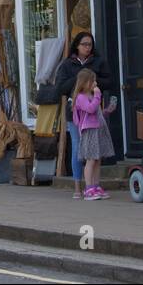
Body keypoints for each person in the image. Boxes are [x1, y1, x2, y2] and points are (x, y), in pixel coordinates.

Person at [37, 32, 114, 198]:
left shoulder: (98, 61)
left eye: (90, 44)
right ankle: (78, 187)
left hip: (94, 113)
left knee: (95, 151)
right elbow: (60, 89)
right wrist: (79, 80)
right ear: (77, 46)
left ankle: (94, 185)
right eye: (84, 44)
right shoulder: (67, 64)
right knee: (79, 149)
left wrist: (93, 80)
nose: (88, 47)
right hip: (76, 115)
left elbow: (109, 82)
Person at [71, 69, 114, 200]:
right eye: (92, 81)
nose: (95, 83)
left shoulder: (91, 95)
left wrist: (106, 111)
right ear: (84, 83)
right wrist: (97, 95)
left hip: (97, 129)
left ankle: (96, 186)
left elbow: (96, 112)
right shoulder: (80, 97)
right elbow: (90, 109)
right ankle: (89, 188)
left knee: (97, 159)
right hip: (89, 131)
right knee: (90, 160)